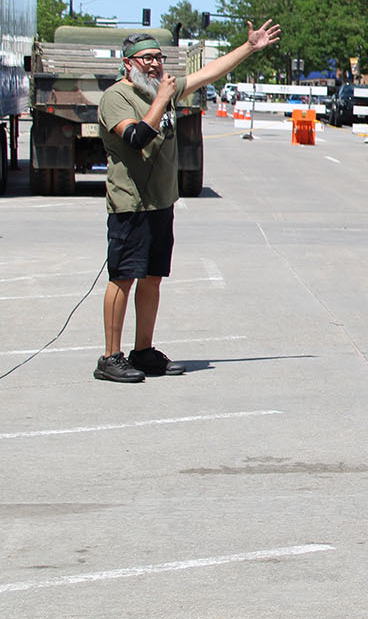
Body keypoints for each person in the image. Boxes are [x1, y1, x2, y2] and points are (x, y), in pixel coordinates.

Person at [94, 23, 281, 383]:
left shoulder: (160, 89)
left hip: (161, 204)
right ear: (128, 62)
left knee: (152, 278)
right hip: (130, 204)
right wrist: (163, 99)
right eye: (146, 58)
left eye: (159, 58)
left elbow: (210, 71)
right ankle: (110, 357)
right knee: (123, 278)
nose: (154, 64)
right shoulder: (118, 97)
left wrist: (248, 47)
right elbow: (135, 137)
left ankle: (143, 351)